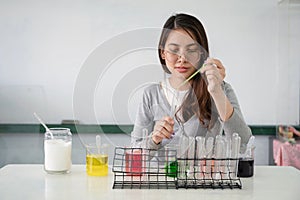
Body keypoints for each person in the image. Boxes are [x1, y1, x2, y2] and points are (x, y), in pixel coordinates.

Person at [131, 13, 252, 152]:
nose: (182, 58)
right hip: (159, 174)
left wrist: (216, 92)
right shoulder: (151, 94)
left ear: (201, 53)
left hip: (203, 174)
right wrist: (153, 140)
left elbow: (244, 144)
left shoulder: (220, 89)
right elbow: (135, 155)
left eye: (192, 50)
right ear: (163, 53)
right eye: (174, 50)